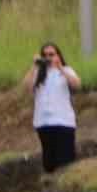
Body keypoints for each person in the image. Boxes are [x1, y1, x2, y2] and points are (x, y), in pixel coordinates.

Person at [22, 42, 81, 174]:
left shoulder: (66, 70)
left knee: (65, 159)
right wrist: (34, 66)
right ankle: (51, 187)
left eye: (51, 54)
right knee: (49, 160)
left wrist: (60, 68)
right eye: (45, 55)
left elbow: (76, 84)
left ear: (58, 55)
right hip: (44, 122)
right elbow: (26, 86)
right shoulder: (38, 73)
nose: (48, 57)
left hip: (63, 122)